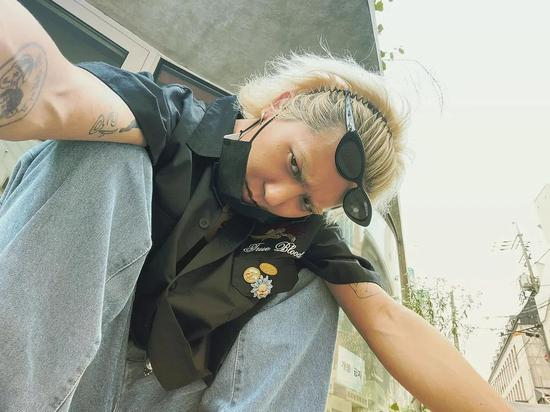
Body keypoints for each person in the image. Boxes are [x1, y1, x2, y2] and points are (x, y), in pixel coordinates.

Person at [0, 1, 513, 411]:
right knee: (110, 155)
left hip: (163, 392)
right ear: (281, 105)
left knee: (320, 285)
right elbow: (53, 95)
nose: (277, 197)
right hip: (53, 368)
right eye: (293, 164)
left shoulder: (301, 233)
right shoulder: (168, 119)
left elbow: (388, 321)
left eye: (307, 201)